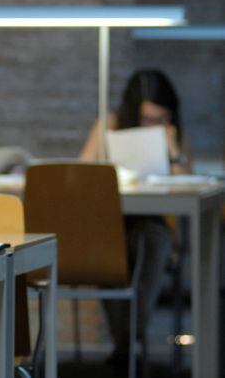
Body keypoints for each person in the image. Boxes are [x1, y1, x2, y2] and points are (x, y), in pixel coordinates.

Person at [80, 68, 189, 366]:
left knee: (150, 241)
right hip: (110, 225)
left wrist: (174, 150)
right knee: (111, 248)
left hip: (155, 224)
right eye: (147, 119)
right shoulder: (111, 126)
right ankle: (128, 345)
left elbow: (188, 187)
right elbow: (81, 174)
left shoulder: (173, 134)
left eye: (161, 119)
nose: (154, 125)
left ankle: (127, 343)